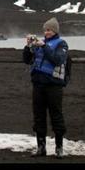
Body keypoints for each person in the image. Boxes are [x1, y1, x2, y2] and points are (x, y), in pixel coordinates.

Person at [22, 17, 69, 158]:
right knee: (39, 117)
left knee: (56, 116)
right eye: (45, 30)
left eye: (49, 30)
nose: (46, 32)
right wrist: (28, 46)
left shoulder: (62, 44)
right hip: (38, 85)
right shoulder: (39, 44)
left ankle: (59, 148)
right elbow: (26, 60)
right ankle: (41, 147)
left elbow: (57, 59)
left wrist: (43, 46)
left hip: (54, 86)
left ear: (55, 31)